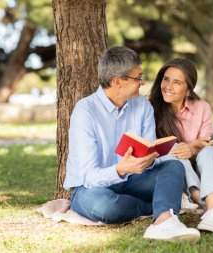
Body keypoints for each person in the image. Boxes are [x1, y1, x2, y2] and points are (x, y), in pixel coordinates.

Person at [63, 47, 200, 242]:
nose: (143, 82)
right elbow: (88, 176)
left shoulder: (142, 105)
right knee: (106, 207)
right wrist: (119, 169)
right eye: (138, 77)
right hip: (90, 188)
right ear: (118, 81)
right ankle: (157, 206)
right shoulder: (85, 111)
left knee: (173, 166)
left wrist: (151, 158)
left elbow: (150, 150)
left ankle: (164, 222)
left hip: (133, 179)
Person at [149, 58, 213, 233]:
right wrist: (191, 146)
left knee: (210, 152)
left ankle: (211, 212)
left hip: (199, 174)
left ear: (188, 89)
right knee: (174, 152)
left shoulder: (202, 107)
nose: (168, 86)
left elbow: (206, 145)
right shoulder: (150, 109)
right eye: (166, 79)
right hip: (171, 176)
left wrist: (193, 148)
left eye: (177, 82)